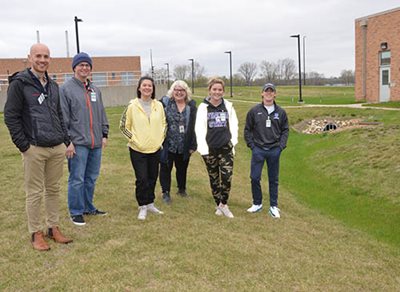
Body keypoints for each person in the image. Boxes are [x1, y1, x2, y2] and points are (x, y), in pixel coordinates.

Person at [4, 43, 73, 251]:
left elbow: (59, 115)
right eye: (39, 56)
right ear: (30, 58)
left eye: (46, 56)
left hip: (55, 146)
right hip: (34, 148)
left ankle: (53, 228)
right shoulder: (19, 83)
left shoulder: (53, 86)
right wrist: (23, 146)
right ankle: (36, 232)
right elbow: (11, 116)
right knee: (34, 192)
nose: (43, 60)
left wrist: (65, 140)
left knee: (53, 190)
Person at [59, 52, 109, 226]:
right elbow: (62, 117)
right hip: (78, 143)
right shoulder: (65, 89)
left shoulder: (95, 89)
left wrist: (104, 134)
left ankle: (88, 206)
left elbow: (101, 113)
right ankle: (76, 211)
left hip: (95, 142)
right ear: (74, 67)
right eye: (81, 65)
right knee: (77, 178)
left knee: (91, 178)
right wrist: (68, 141)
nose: (84, 68)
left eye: (87, 65)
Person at [120, 76, 166, 220]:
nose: (147, 88)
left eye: (150, 86)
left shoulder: (158, 106)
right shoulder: (132, 106)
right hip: (137, 149)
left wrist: (159, 140)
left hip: (155, 149)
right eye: (144, 85)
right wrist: (134, 140)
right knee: (142, 178)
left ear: (153, 89)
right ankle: (142, 206)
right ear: (139, 88)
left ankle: (150, 202)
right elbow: (123, 126)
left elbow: (164, 125)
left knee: (152, 177)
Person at [244, 83, 289, 218]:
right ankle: (257, 203)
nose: (269, 94)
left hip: (274, 149)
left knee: (273, 179)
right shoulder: (254, 111)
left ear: (275, 94)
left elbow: (285, 130)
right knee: (255, 177)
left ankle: (273, 206)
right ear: (262, 94)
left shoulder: (280, 112)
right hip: (258, 149)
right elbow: (247, 130)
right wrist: (252, 146)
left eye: (271, 91)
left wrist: (281, 146)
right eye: (266, 91)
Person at [195, 78, 238, 218]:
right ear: (210, 90)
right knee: (214, 179)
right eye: (214, 89)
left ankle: (224, 204)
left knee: (226, 177)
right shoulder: (203, 107)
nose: (217, 92)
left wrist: (233, 142)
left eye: (220, 90)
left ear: (223, 91)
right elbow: (199, 129)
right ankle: (218, 204)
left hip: (226, 149)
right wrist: (203, 150)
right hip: (210, 150)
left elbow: (234, 125)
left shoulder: (228, 106)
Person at [159, 80, 197, 203]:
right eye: (176, 90)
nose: (179, 92)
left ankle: (181, 189)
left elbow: (194, 127)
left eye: (182, 90)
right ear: (172, 91)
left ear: (186, 92)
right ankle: (166, 192)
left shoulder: (191, 107)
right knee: (165, 168)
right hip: (168, 143)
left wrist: (193, 144)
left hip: (183, 144)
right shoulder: (164, 104)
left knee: (182, 168)